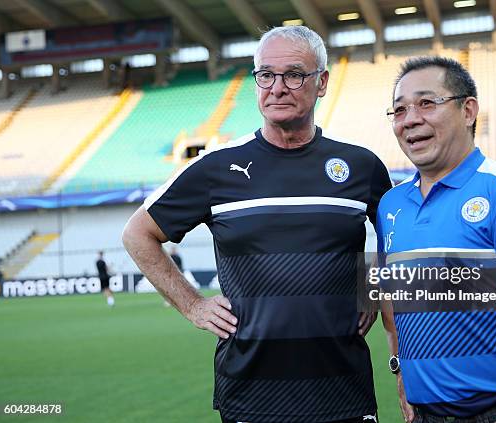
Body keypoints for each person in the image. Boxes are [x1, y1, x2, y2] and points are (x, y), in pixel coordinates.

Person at [122, 25, 392, 423]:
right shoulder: (215, 168)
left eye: (294, 74)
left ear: (322, 83)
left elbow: (397, 234)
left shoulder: (361, 166)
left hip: (343, 393)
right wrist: (193, 304)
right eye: (265, 74)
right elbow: (137, 234)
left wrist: (370, 289)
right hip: (250, 397)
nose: (277, 87)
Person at [376, 57, 496, 423]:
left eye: (427, 103)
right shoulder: (390, 204)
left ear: (468, 110)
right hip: (424, 414)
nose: (410, 119)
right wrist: (400, 370)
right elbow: (392, 300)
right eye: (399, 110)